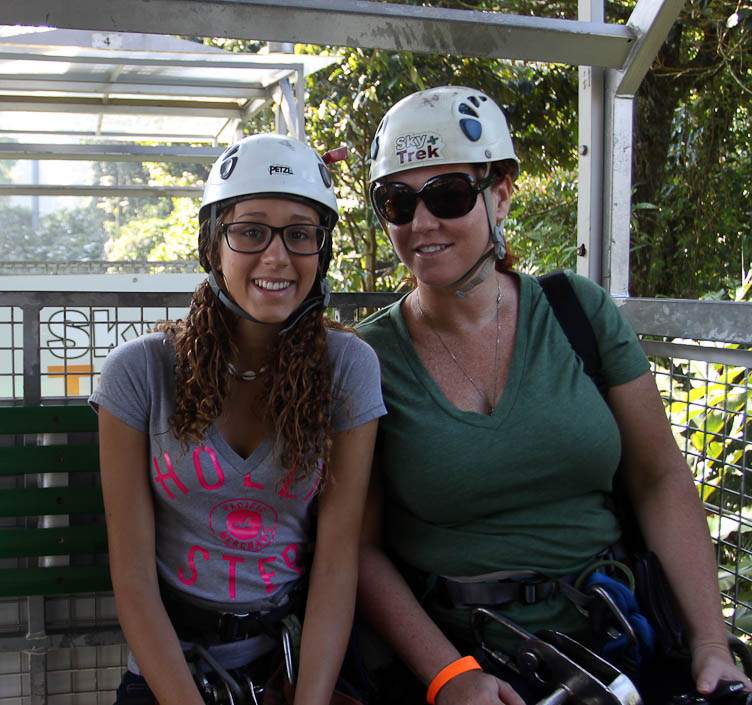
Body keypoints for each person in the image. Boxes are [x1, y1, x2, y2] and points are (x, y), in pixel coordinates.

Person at [354, 85, 750, 705]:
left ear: (500, 192)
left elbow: (659, 480)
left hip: (614, 637)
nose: (422, 223)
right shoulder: (369, 359)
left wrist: (710, 642)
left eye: (449, 195)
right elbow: (358, 544)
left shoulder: (575, 313)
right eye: (397, 202)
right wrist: (448, 677)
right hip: (465, 659)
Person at [90, 133, 386, 705]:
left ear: (321, 251)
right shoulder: (140, 373)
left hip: (294, 659)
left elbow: (335, 562)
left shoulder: (349, 368)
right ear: (213, 245)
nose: (277, 256)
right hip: (174, 666)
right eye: (250, 231)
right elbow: (132, 581)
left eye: (300, 234)